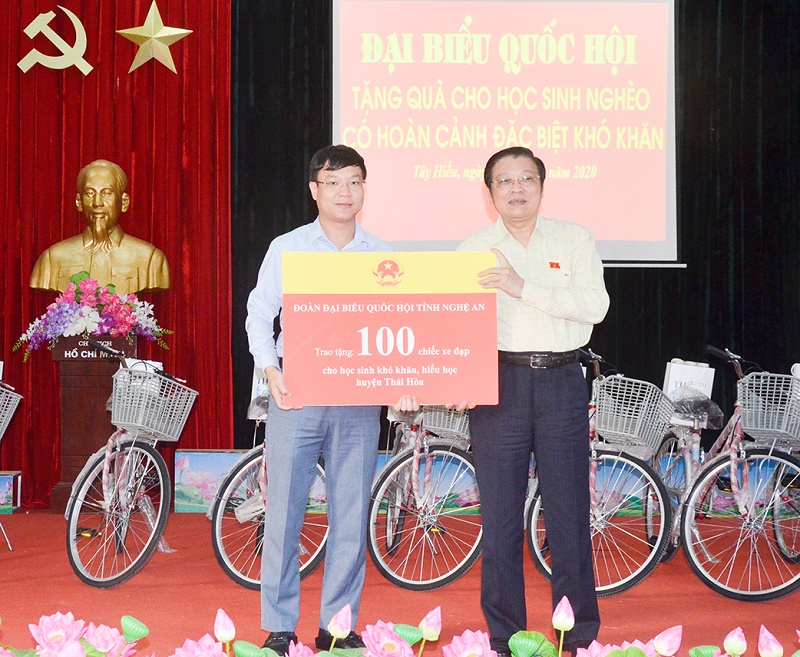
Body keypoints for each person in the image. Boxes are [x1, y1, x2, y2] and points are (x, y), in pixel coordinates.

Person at [246, 144, 415, 656]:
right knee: (283, 513)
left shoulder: (384, 255)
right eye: (334, 182)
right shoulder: (288, 247)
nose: (345, 192)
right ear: (314, 190)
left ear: (365, 189)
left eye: (354, 182)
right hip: (296, 394)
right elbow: (259, 313)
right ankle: (279, 625)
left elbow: (398, 328)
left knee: (350, 515)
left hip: (358, 399)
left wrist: (403, 380)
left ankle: (337, 627)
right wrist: (270, 369)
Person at [457, 147, 609, 656]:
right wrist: (456, 376)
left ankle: (578, 634)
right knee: (500, 518)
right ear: (490, 192)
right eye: (505, 181)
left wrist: (521, 287)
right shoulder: (473, 250)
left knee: (568, 512)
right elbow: (456, 325)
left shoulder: (574, 239)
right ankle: (506, 636)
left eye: (527, 178)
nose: (516, 188)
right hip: (497, 383)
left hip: (562, 380)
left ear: (542, 187)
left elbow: (595, 306)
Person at [29, 159, 170, 294]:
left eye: (106, 193)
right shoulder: (52, 259)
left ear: (124, 202)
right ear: (79, 202)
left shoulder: (150, 259)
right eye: (90, 193)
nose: (97, 203)